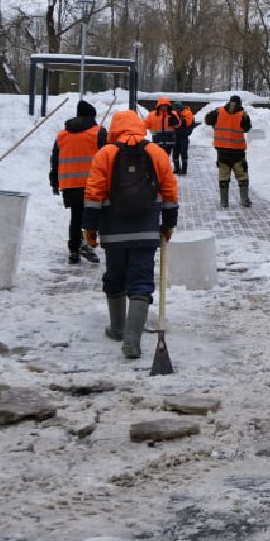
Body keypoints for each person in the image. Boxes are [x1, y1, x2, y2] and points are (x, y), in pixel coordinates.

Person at [82, 109, 178, 357]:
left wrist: (89, 228)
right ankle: (132, 341)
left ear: (115, 128)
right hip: (146, 231)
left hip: (113, 232)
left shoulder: (106, 154)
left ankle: (117, 328)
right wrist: (168, 224)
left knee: (115, 278)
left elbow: (94, 193)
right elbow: (169, 191)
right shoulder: (156, 152)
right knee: (141, 282)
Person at [50, 99, 106, 264]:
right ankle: (87, 245)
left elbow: (55, 160)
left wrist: (54, 182)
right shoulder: (98, 133)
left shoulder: (63, 135)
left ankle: (74, 251)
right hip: (92, 184)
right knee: (92, 215)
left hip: (70, 184)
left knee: (75, 216)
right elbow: (108, 157)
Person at [204, 94, 253, 208]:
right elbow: (246, 128)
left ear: (229, 102)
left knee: (224, 175)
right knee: (242, 175)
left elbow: (207, 120)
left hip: (222, 151)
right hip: (237, 151)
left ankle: (224, 202)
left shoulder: (219, 112)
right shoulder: (243, 114)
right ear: (240, 103)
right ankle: (244, 200)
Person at [171, 101, 194, 174]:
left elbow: (188, 122)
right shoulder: (173, 113)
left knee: (183, 152)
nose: (176, 110)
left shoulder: (187, 112)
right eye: (175, 108)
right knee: (175, 153)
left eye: (177, 108)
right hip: (175, 135)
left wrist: (179, 119)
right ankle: (176, 168)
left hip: (183, 136)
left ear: (180, 107)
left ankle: (184, 170)